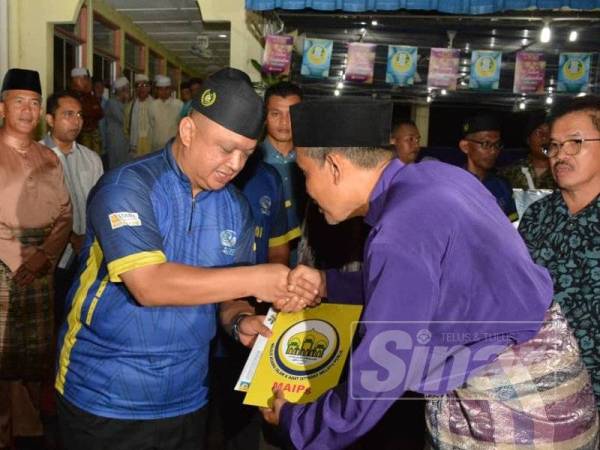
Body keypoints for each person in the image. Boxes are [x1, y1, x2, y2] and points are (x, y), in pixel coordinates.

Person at [260, 98, 599, 449]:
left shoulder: (398, 228)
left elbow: (384, 366)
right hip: (553, 386)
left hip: (513, 411)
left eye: (305, 174)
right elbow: (428, 284)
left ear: (333, 166)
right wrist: (329, 282)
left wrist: (297, 421)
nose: (307, 191)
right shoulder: (436, 179)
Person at [54, 68, 318, 450]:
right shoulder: (128, 186)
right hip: (105, 393)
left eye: (246, 153)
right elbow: (149, 284)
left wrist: (239, 319)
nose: (235, 164)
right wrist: (260, 279)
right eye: (226, 148)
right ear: (189, 132)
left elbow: (227, 292)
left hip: (187, 396)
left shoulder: (235, 208)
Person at [0, 69, 73, 450]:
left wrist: (43, 257)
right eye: (18, 102)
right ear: (2, 107)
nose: (27, 111)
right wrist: (17, 260)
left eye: (33, 103)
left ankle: (27, 430)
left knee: (34, 358)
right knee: (3, 358)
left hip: (41, 270)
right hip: (2, 271)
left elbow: (65, 213)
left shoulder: (49, 157)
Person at [519, 95, 600, 408]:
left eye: (574, 143)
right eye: (553, 145)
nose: (560, 155)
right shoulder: (538, 215)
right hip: (541, 393)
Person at [40, 90, 103, 327]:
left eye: (78, 115)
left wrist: (86, 239)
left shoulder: (91, 159)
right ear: (50, 119)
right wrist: (67, 238)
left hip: (86, 254)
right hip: (50, 257)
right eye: (67, 114)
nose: (76, 120)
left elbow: (99, 204)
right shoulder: (36, 157)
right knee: (51, 318)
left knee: (81, 316)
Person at [260, 82, 305, 265]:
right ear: (264, 116)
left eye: (292, 115)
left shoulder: (314, 164)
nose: (285, 123)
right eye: (276, 114)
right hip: (265, 263)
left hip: (308, 262)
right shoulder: (250, 163)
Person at [459, 114, 518, 221]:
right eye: (486, 144)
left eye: (497, 145)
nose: (493, 151)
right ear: (465, 146)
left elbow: (512, 226)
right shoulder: (453, 184)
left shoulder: (502, 187)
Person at [500, 112, 556, 190]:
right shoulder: (510, 173)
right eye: (539, 132)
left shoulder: (563, 172)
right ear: (528, 140)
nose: (545, 137)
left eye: (550, 132)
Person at [70, 67, 104, 159]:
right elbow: (85, 113)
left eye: (87, 79)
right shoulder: (71, 96)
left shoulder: (90, 96)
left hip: (93, 137)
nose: (88, 82)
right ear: (77, 80)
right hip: (80, 137)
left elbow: (100, 113)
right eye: (85, 79)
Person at [148, 74, 183, 151]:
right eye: (161, 89)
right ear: (157, 90)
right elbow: (151, 125)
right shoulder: (152, 105)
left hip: (173, 146)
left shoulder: (179, 104)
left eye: (166, 89)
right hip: (156, 147)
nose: (164, 92)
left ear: (171, 90)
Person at [103, 76, 131, 169]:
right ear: (120, 90)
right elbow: (123, 119)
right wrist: (127, 101)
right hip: (115, 139)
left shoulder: (124, 103)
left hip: (124, 140)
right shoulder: (112, 103)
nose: (128, 91)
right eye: (125, 89)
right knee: (115, 166)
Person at [124, 73, 153, 157]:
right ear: (135, 89)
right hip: (135, 143)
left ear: (149, 88)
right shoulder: (130, 107)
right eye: (138, 85)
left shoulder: (155, 105)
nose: (141, 88)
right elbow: (126, 129)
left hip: (151, 143)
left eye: (144, 85)